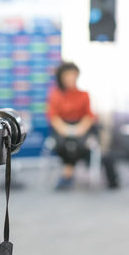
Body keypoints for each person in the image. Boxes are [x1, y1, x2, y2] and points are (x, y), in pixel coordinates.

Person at [47, 62, 100, 190]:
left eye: (73, 75)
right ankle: (69, 172)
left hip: (80, 126)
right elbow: (53, 115)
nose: (71, 78)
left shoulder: (84, 94)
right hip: (62, 126)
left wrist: (81, 128)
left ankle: (67, 174)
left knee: (79, 143)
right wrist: (63, 129)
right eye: (68, 75)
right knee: (63, 143)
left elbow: (89, 116)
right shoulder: (55, 94)